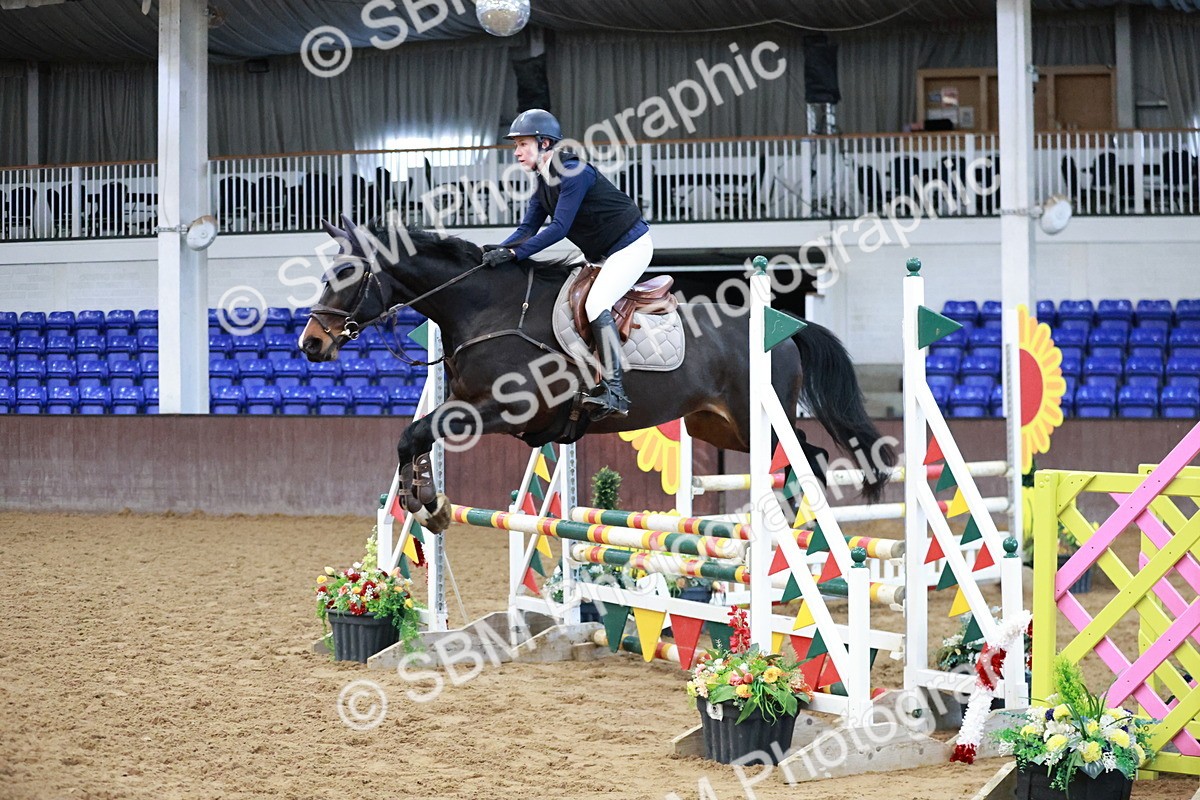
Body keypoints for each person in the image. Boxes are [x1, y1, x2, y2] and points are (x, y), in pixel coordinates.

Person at [482, 109, 653, 421]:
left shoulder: (572, 171)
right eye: (516, 145)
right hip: (600, 255)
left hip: (631, 247)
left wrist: (515, 255)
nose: (517, 152)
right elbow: (526, 230)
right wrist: (496, 252)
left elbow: (559, 228)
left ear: (545, 143)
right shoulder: (543, 181)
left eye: (523, 144)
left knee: (596, 303)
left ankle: (616, 391)